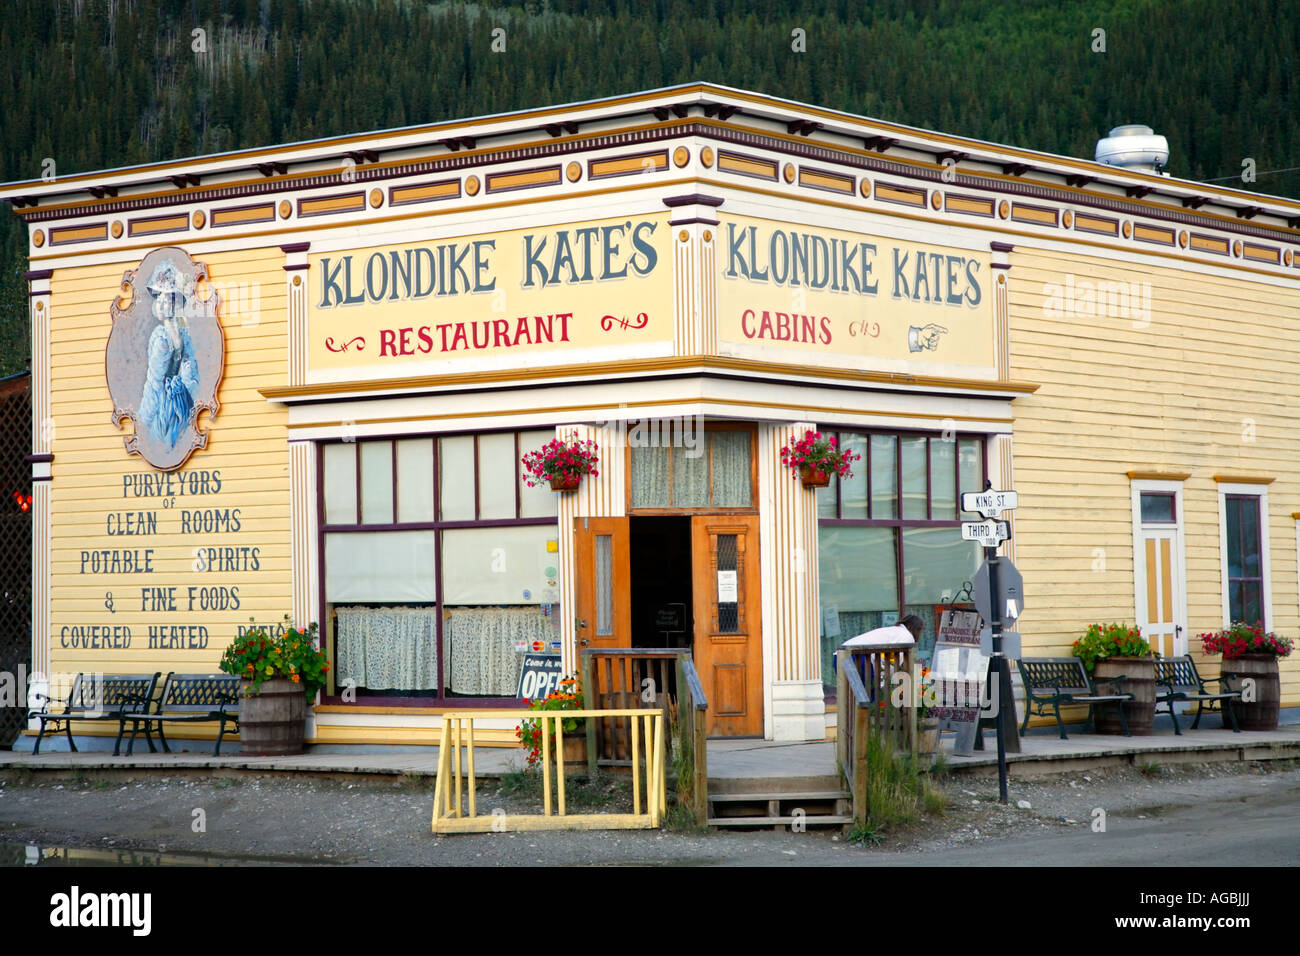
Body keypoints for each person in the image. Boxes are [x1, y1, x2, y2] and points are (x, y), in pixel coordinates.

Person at [137, 260, 200, 448]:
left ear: (175, 303)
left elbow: (190, 370)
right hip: (163, 405)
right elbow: (154, 380)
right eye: (161, 301)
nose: (164, 305)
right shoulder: (160, 338)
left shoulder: (183, 335)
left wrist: (186, 377)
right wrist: (145, 417)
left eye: (168, 300)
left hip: (181, 399)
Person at [842, 614, 925, 648]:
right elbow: (896, 661)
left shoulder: (895, 631)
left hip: (841, 655)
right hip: (856, 656)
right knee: (869, 684)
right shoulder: (907, 636)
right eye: (920, 632)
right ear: (915, 629)